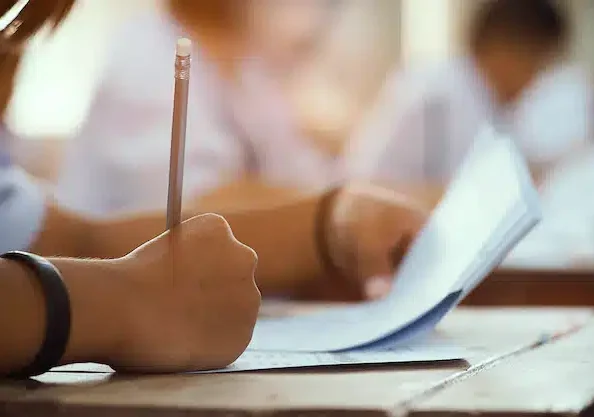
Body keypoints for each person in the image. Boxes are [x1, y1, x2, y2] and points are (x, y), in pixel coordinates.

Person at [0, 0, 428, 377]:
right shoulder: (147, 55)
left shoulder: (250, 71)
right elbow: (206, 204)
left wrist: (331, 224)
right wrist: (119, 302)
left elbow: (59, 240)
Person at [34, 0, 349, 217]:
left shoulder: (250, 71)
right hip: (125, 295)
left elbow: (305, 179)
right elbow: (198, 205)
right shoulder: (146, 54)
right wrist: (338, 213)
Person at [347, 0, 594, 205]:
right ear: (505, 48)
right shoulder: (437, 93)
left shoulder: (486, 99)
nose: (534, 82)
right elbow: (364, 191)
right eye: (537, 65)